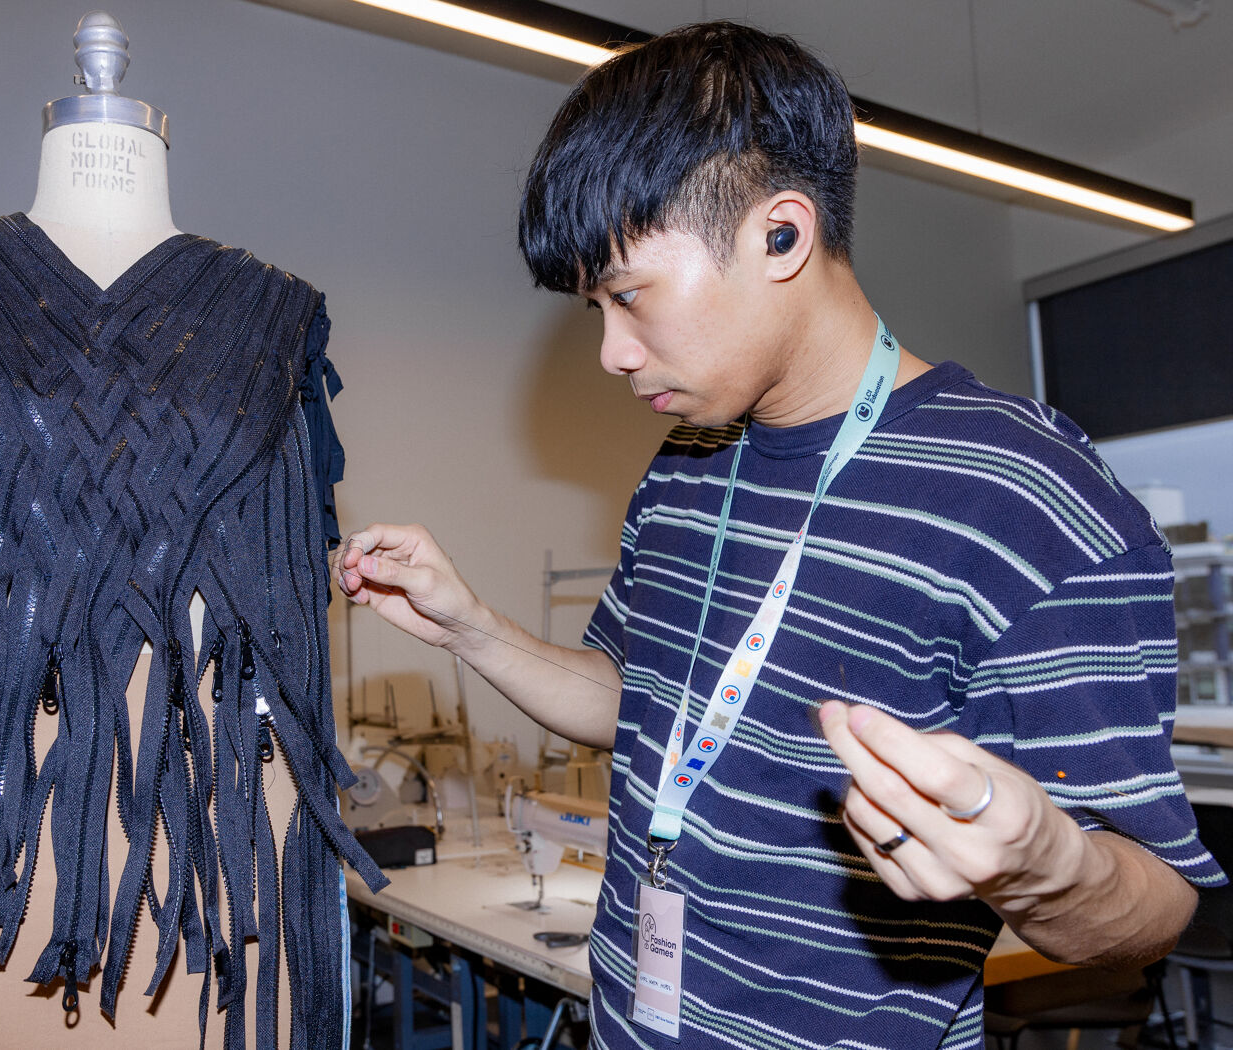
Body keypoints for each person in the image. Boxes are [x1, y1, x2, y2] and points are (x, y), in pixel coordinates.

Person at [334, 22, 1220, 1048]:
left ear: (782, 236)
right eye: (594, 311)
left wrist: (1041, 865)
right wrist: (468, 628)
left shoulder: (1027, 493)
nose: (612, 353)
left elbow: (1155, 902)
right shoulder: (686, 465)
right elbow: (641, 706)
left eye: (627, 297)